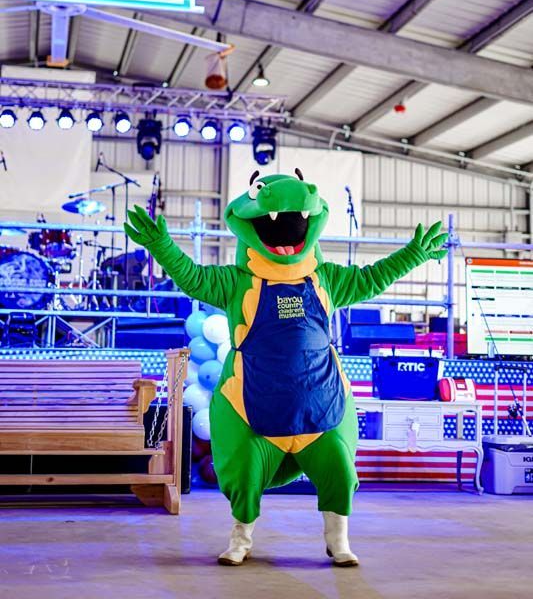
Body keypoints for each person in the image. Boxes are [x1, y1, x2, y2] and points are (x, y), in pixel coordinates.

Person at [125, 169, 447, 567]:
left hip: (320, 405)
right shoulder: (235, 282)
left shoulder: (326, 278)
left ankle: (338, 539)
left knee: (340, 471)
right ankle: (241, 538)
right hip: (255, 407)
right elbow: (192, 277)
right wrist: (162, 246)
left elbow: (374, 277)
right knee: (243, 474)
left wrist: (413, 253)